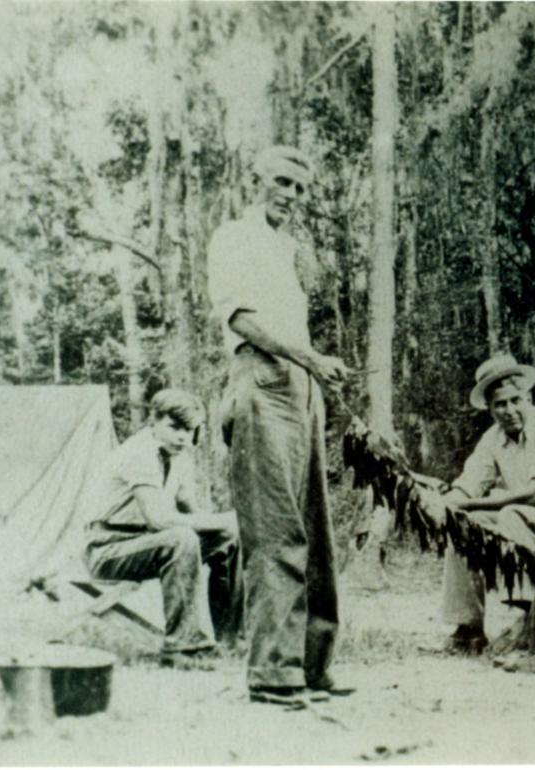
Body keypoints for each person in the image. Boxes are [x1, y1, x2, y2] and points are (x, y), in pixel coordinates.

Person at [208, 145, 351, 706]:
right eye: (282, 183)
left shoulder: (287, 248)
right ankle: (272, 672)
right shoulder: (233, 238)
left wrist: (315, 369)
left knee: (315, 529)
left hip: (301, 386)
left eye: (300, 189)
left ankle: (312, 665)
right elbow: (241, 318)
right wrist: (310, 358)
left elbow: (288, 323)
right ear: (254, 179)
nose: (290, 196)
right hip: (263, 379)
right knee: (274, 531)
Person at [433, 354, 535, 655]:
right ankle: (469, 629)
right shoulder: (492, 439)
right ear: (490, 409)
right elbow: (467, 486)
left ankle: (529, 608)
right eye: (500, 405)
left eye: (515, 400)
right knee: (462, 525)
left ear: (528, 398)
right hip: (530, 523)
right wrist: (444, 505)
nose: (510, 410)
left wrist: (473, 504)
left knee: (509, 514)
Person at [84, 389, 241, 667]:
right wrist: (227, 518)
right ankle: (181, 647)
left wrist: (226, 525)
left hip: (149, 543)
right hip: (108, 548)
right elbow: (159, 519)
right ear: (153, 421)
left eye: (189, 430)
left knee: (226, 537)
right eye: (174, 427)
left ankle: (226, 641)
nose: (182, 437)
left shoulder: (180, 456)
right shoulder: (139, 452)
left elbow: (193, 514)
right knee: (180, 538)